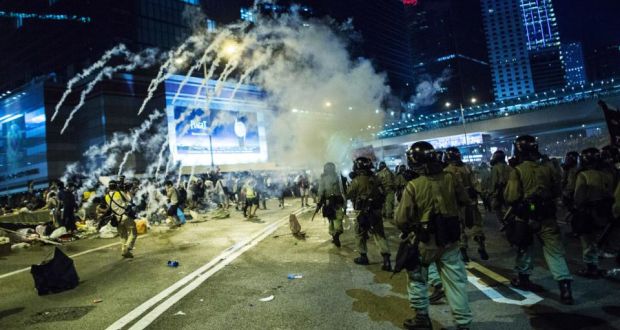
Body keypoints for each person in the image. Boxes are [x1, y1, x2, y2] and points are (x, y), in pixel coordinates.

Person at [395, 141, 472, 330]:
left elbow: (401, 219)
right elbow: (465, 202)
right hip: (451, 240)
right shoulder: (451, 178)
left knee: (417, 278)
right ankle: (463, 324)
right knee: (456, 283)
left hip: (424, 242)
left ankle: (422, 318)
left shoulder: (413, 185)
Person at [504, 135, 573, 305]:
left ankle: (524, 279)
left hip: (525, 216)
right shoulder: (549, 167)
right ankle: (565, 287)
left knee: (525, 248)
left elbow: (511, 196)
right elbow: (557, 190)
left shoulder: (518, 170)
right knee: (554, 252)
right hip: (547, 215)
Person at [573, 148, 614, 278]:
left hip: (588, 212)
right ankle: (596, 264)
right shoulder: (607, 174)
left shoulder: (583, 175)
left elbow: (579, 197)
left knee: (587, 242)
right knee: (597, 239)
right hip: (604, 211)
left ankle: (591, 268)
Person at [443, 147, 488, 261]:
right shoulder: (467, 167)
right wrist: (480, 193)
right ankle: (481, 246)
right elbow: (475, 183)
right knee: (476, 224)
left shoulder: (447, 171)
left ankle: (463, 250)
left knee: (460, 227)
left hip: (457, 203)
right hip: (471, 201)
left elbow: (448, 190)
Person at [346, 157, 391, 271]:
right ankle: (386, 259)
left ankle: (363, 257)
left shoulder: (356, 180)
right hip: (375, 212)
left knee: (360, 234)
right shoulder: (376, 178)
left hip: (361, 212)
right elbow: (383, 193)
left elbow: (348, 194)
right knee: (379, 234)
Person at [317, 162, 346, 247]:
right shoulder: (338, 177)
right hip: (338, 202)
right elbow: (342, 190)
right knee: (338, 219)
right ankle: (336, 234)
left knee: (331, 219)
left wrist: (319, 202)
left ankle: (334, 234)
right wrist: (345, 202)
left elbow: (320, 191)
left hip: (328, 203)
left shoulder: (323, 178)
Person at [106, 180, 137, 258]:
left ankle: (124, 251)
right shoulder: (120, 193)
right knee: (133, 232)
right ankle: (127, 248)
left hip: (116, 218)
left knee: (123, 236)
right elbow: (130, 200)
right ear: (116, 186)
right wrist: (127, 191)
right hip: (125, 216)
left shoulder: (106, 196)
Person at [490, 150, 512, 226]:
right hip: (510, 190)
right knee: (509, 208)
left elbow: (494, 182)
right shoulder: (509, 167)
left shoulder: (495, 168)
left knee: (496, 207)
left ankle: (503, 224)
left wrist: (492, 192)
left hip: (500, 191)